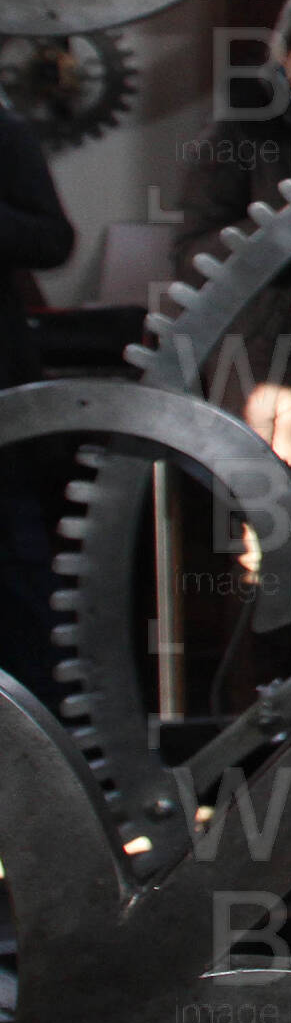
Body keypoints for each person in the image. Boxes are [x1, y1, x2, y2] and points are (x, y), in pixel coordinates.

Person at [0, 87, 76, 709]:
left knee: (17, 574)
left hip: (3, 413)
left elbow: (52, 240)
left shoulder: (5, 131)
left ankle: (50, 737)